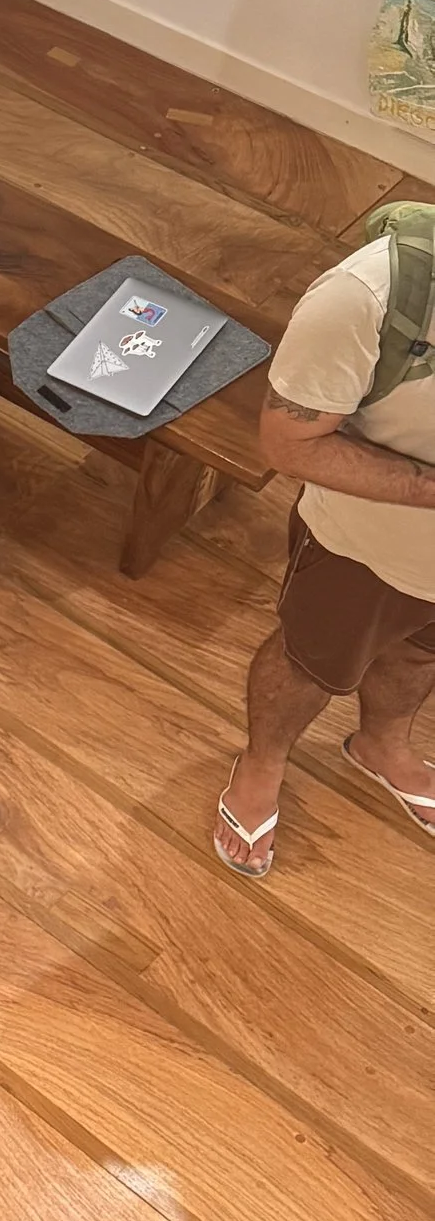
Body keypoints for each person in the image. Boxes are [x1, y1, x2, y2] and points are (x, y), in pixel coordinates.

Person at [219, 203, 435, 876]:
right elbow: (291, 445)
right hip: (365, 549)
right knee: (308, 663)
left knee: (420, 655)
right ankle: (261, 764)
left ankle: (383, 745)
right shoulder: (365, 296)